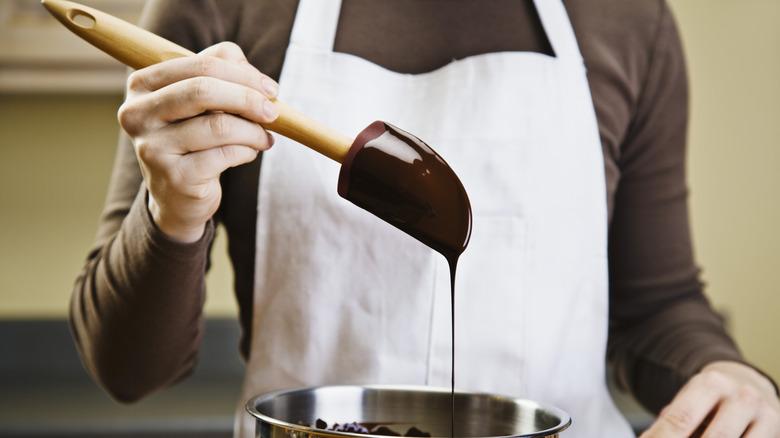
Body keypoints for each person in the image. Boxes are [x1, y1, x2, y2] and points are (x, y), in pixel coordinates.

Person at [70, 0, 780, 437]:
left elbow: (656, 306)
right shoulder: (223, 8)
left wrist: (728, 376)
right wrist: (173, 210)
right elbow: (127, 372)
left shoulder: (626, 17)